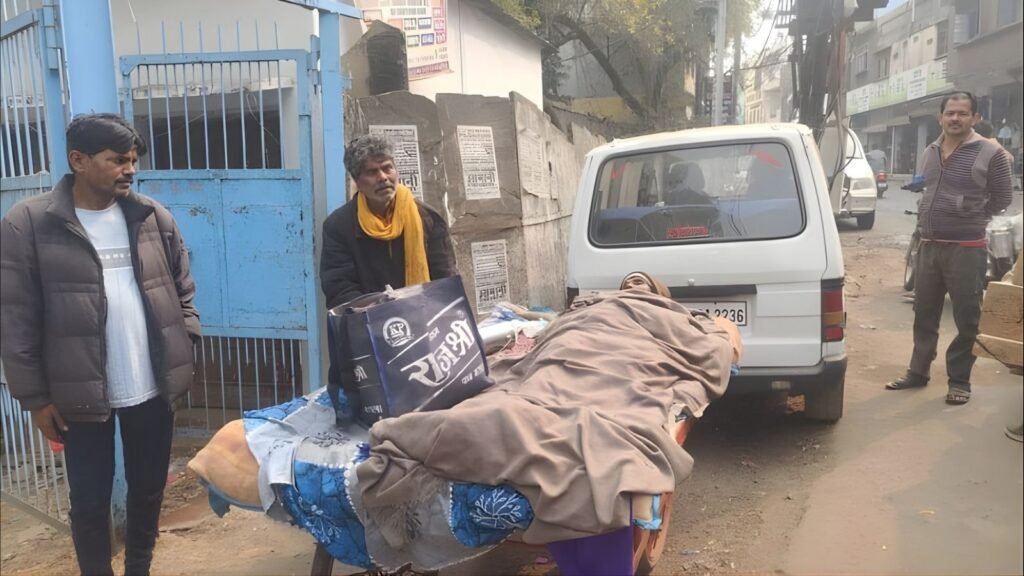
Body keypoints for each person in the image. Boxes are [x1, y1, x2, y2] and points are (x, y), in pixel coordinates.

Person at [0, 113, 200, 576]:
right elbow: (14, 315)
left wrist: (184, 340)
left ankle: (138, 568)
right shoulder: (29, 224)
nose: (129, 169)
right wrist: (34, 397)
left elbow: (182, 287)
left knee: (148, 488)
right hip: (77, 394)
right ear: (79, 160)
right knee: (89, 497)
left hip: (152, 385)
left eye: (133, 160)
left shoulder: (152, 216)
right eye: (117, 160)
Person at [885, 92, 1013, 405]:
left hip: (966, 248)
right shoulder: (931, 150)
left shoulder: (990, 152)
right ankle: (918, 372)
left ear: (975, 118)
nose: (955, 118)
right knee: (923, 314)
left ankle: (959, 381)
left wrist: (972, 215)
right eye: (950, 113)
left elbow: (1003, 197)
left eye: (962, 113)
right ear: (940, 117)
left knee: (967, 318)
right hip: (928, 245)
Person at [320, 134, 456, 310]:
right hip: (370, 325)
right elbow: (339, 287)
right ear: (357, 181)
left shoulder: (428, 218)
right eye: (371, 172)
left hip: (425, 318)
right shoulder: (339, 226)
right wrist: (381, 306)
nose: (383, 177)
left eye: (387, 168)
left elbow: (445, 279)